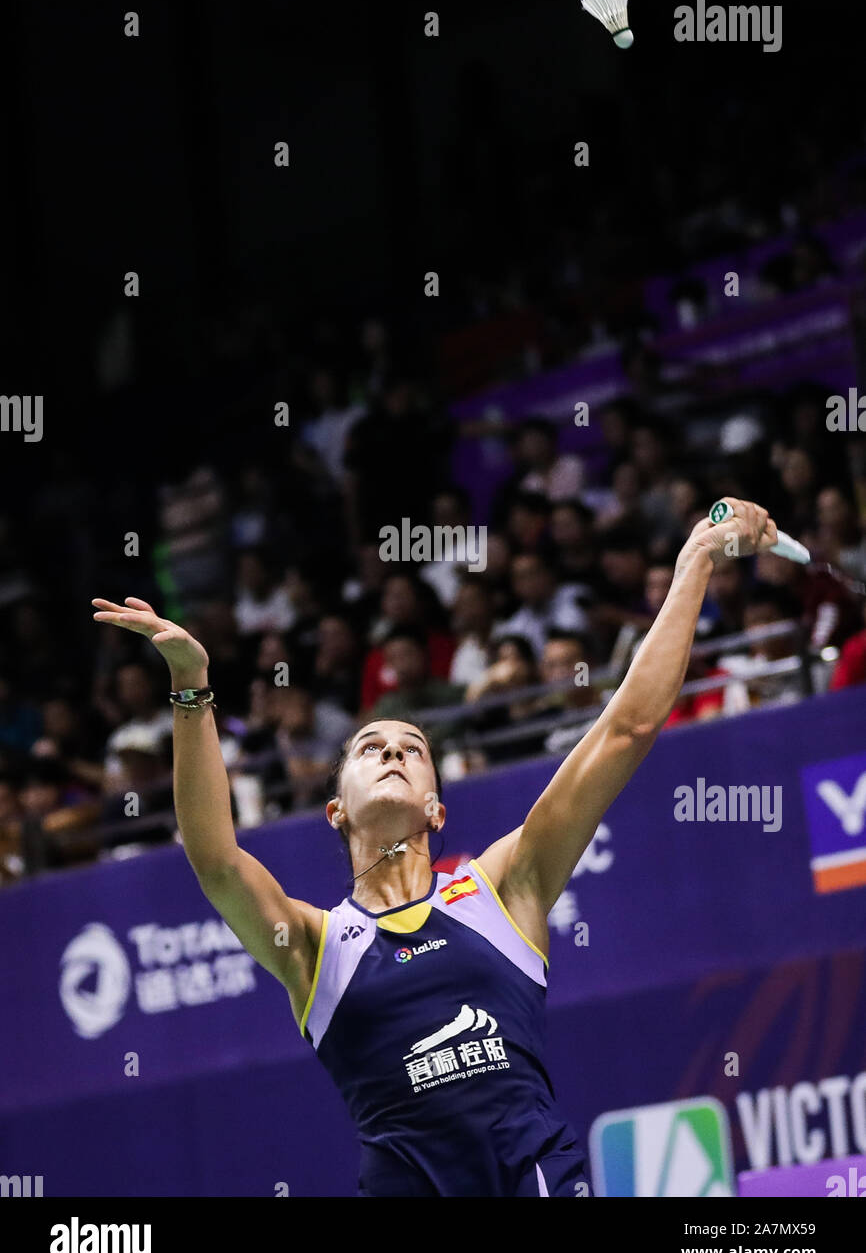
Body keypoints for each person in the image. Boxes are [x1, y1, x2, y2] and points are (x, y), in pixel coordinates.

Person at [90, 498, 780, 1198]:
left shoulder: (505, 890)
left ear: (436, 806)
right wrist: (190, 683)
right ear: (335, 810)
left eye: (412, 749)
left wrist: (694, 558)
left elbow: (626, 728)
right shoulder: (314, 947)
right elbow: (214, 857)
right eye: (370, 747)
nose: (392, 749)